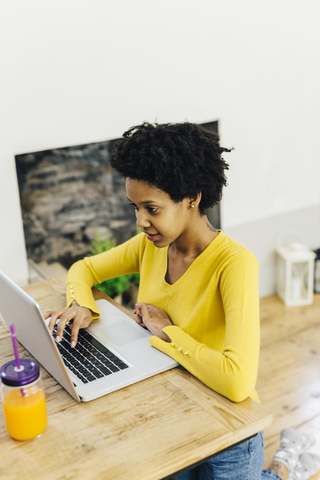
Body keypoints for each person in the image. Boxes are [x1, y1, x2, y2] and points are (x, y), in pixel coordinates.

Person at [45, 122, 320, 480]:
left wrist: (169, 332)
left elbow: (237, 382)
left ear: (192, 198)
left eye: (151, 209)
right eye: (135, 207)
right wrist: (81, 305)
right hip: (172, 411)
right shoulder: (150, 245)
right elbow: (83, 269)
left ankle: (287, 463)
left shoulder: (234, 263)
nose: (141, 220)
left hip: (228, 432)